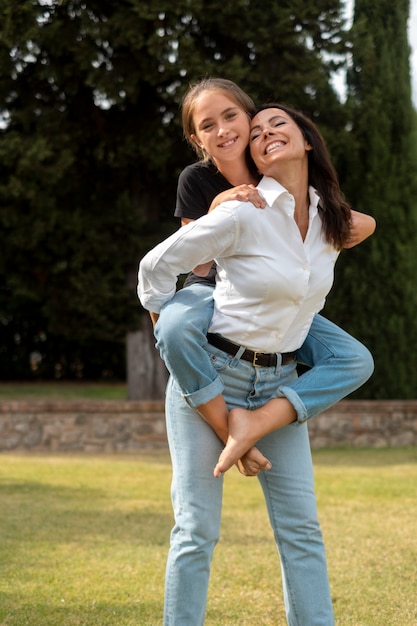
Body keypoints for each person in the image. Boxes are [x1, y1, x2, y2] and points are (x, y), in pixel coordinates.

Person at [138, 99, 373, 625]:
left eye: (278, 125)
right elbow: (155, 264)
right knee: (196, 531)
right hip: (214, 372)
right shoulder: (243, 210)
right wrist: (162, 313)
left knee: (302, 530)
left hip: (279, 382)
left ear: (306, 140)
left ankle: (253, 427)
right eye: (259, 131)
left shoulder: (327, 220)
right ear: (254, 155)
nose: (265, 134)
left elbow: (357, 231)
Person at [152, 78, 374, 476]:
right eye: (208, 125)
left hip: (275, 304)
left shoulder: (269, 164)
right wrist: (220, 207)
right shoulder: (197, 179)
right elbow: (194, 260)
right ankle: (227, 431)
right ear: (196, 138)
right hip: (211, 290)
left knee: (354, 358)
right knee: (172, 325)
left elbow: (337, 219)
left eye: (232, 116)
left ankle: (263, 418)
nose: (223, 130)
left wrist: (366, 224)